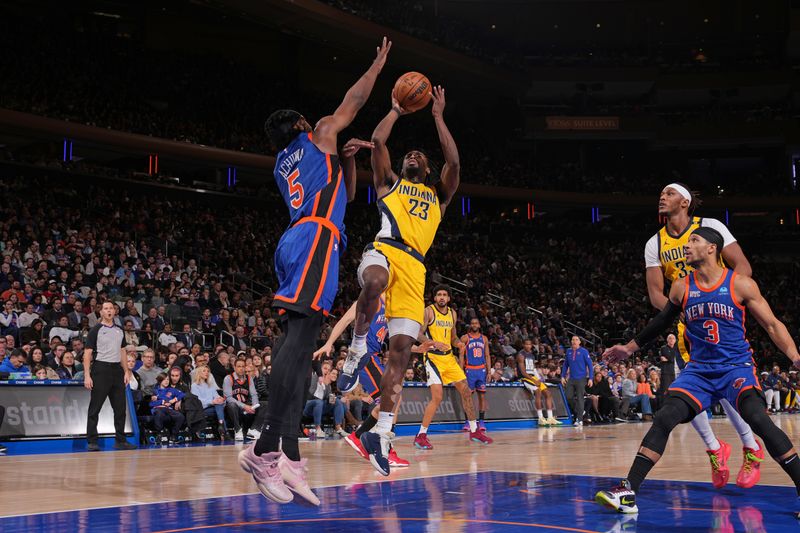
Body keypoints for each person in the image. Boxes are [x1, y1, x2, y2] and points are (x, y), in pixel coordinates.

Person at [238, 37, 391, 507]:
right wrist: (377, 65)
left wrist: (346, 160)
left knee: (297, 346)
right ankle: (263, 450)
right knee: (301, 343)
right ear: (303, 124)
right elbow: (353, 101)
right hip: (315, 241)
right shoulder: (318, 131)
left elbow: (343, 196)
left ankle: (289, 454)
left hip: (300, 238)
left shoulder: (287, 162)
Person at [596, 227, 800, 514]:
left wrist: (795, 356)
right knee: (665, 417)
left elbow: (772, 325)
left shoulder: (740, 284)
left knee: (758, 418)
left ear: (712, 248)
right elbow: (662, 321)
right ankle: (628, 491)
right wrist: (629, 348)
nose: (687, 246)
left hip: (734, 367)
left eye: (694, 241)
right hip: (699, 371)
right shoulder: (681, 286)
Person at [644, 183, 763, 488]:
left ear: (684, 201)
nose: (662, 197)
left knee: (729, 387)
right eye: (661, 193)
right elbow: (657, 294)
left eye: (669, 193)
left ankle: (751, 446)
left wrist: (731, 296)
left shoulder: (709, 227)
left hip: (723, 314)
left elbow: (743, 266)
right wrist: (679, 309)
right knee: (687, 390)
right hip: (690, 322)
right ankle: (715, 449)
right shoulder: (654, 244)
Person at [313, 295, 416, 468]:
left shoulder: (392, 304)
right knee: (393, 398)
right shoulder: (370, 298)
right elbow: (345, 320)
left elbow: (396, 339)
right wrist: (329, 343)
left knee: (392, 400)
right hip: (363, 355)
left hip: (373, 356)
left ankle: (359, 436)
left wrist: (420, 347)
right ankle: (385, 450)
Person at [414, 287, 492, 452]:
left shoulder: (452, 313)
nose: (441, 297)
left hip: (449, 359)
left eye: (444, 295)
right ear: (435, 297)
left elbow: (453, 336)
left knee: (466, 391)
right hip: (433, 358)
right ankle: (421, 436)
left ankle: (474, 431)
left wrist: (459, 344)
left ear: (448, 298)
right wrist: (433, 343)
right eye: (439, 295)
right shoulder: (428, 312)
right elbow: (418, 334)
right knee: (437, 397)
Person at [84, 301, 136, 451]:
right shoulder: (96, 330)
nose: (108, 311)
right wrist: (87, 375)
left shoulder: (120, 330)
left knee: (120, 408)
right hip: (101, 369)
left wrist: (126, 371)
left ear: (115, 311)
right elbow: (87, 354)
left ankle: (120, 440)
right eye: (105, 308)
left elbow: (122, 352)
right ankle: (92, 441)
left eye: (111, 308)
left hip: (117, 370)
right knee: (95, 407)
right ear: (101, 312)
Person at [459, 318, 493, 431]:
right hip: (469, 370)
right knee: (467, 397)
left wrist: (489, 371)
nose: (474, 325)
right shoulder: (465, 338)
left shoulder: (484, 338)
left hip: (481, 370)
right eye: (472, 323)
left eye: (476, 323)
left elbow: (487, 356)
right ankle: (468, 421)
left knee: (482, 397)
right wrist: (460, 370)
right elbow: (461, 356)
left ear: (479, 325)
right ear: (470, 325)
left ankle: (481, 422)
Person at [518, 338, 560, 426]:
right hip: (525, 378)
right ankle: (540, 418)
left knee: (548, 393)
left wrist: (538, 379)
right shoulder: (521, 355)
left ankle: (550, 418)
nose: (528, 346)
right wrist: (533, 380)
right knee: (538, 391)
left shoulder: (532, 355)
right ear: (523, 345)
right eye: (526, 344)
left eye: (530, 344)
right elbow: (523, 372)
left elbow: (533, 369)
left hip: (532, 377)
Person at [225, 357, 260, 442]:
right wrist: (244, 406)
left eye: (243, 366)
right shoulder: (228, 378)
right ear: (234, 367)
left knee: (265, 404)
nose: (241, 368)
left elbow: (254, 394)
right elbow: (229, 398)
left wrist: (254, 406)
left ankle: (253, 429)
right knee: (231, 404)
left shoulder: (248, 378)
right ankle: (237, 430)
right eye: (239, 366)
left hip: (247, 408)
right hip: (235, 408)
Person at [562, 336, 593, 426]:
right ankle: (580, 411)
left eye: (576, 340)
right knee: (568, 396)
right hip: (571, 378)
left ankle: (579, 420)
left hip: (581, 378)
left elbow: (590, 365)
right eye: (572, 340)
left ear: (579, 342)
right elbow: (565, 365)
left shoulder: (584, 351)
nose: (574, 341)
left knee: (580, 398)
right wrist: (563, 376)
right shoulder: (568, 351)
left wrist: (590, 378)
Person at [191, 365, 227, 440]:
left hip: (213, 408)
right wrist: (212, 402)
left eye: (208, 371)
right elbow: (198, 401)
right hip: (202, 409)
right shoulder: (194, 386)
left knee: (219, 404)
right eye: (204, 371)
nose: (207, 373)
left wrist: (220, 399)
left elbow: (216, 397)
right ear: (199, 373)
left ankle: (221, 425)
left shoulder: (210, 385)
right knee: (218, 406)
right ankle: (223, 429)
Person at [149, 372, 186, 442]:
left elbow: (182, 394)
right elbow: (151, 404)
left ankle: (174, 435)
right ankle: (159, 434)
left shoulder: (171, 389)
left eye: (168, 380)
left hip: (168, 409)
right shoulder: (155, 391)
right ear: (160, 380)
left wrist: (175, 400)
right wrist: (162, 402)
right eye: (164, 379)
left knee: (180, 416)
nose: (166, 381)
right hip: (158, 408)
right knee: (159, 414)